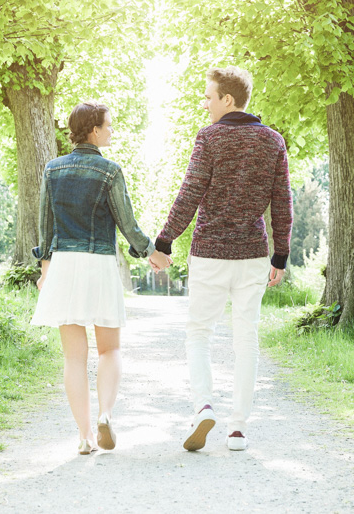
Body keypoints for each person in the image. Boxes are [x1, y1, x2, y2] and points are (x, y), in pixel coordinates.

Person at [154, 67, 293, 452]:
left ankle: (203, 407)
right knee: (245, 336)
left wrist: (165, 241)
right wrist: (280, 254)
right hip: (252, 254)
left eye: (209, 96)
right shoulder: (273, 141)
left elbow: (190, 192)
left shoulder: (210, 138)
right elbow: (282, 201)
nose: (206, 103)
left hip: (211, 252)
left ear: (227, 100)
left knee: (199, 332)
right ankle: (237, 429)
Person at [31, 101, 172, 455]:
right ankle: (105, 414)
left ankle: (83, 436)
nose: (111, 131)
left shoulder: (52, 169)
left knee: (73, 358)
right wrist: (152, 253)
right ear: (93, 130)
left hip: (64, 265)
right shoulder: (109, 171)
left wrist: (45, 269)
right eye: (108, 125)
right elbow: (127, 224)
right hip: (98, 264)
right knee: (110, 349)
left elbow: (45, 227)